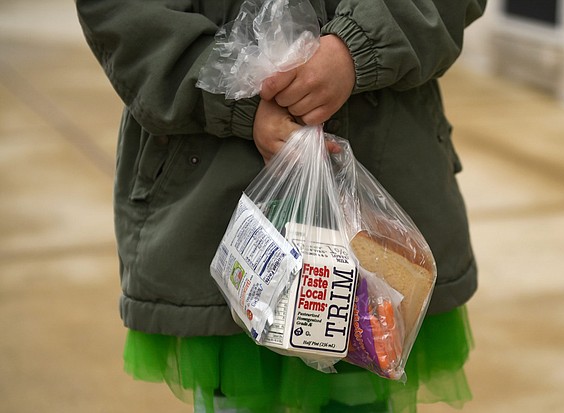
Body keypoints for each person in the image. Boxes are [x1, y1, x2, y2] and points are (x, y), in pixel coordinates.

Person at [76, 0, 486, 412]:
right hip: (217, 199)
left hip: (382, 181)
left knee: (365, 382)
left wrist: (356, 48)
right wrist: (237, 96)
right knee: (243, 393)